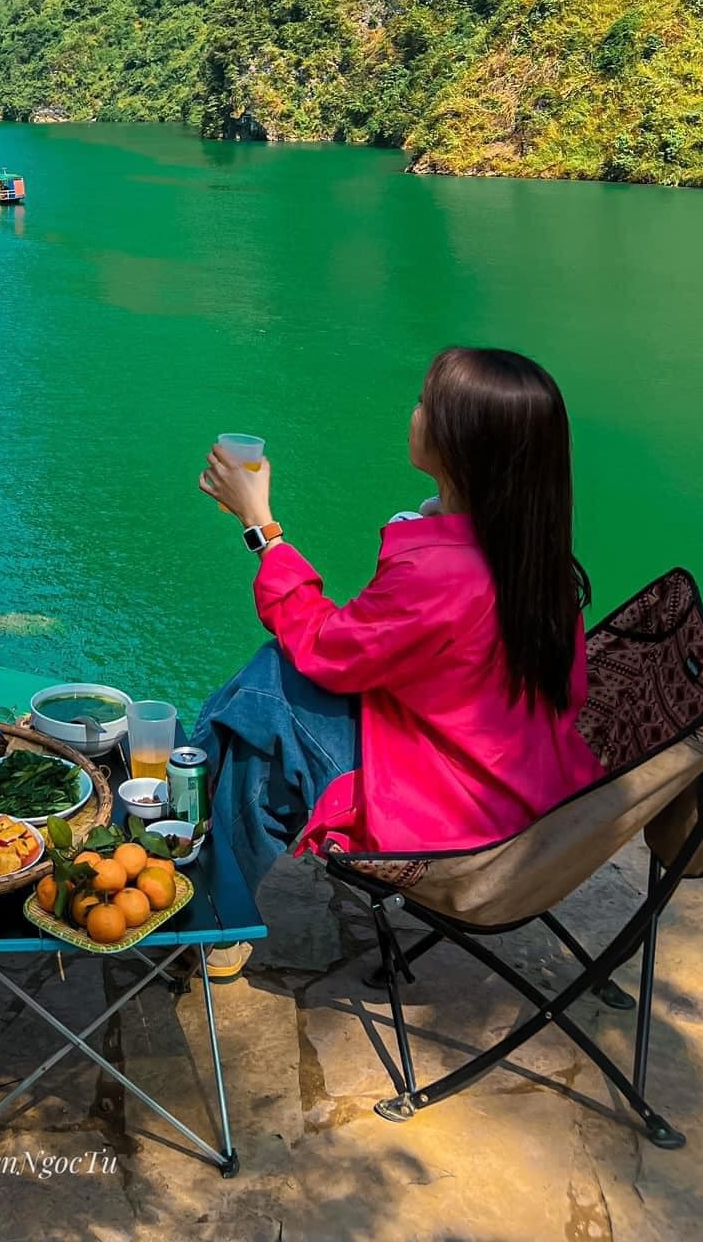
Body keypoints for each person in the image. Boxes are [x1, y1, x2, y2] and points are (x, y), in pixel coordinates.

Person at [191, 346, 603, 978]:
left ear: (461, 444)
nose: (414, 413)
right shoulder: (531, 548)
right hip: (516, 784)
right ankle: (196, 837)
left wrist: (260, 524)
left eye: (426, 405)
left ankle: (208, 908)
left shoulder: (442, 570)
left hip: (454, 811)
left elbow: (329, 650)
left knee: (268, 704)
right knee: (268, 694)